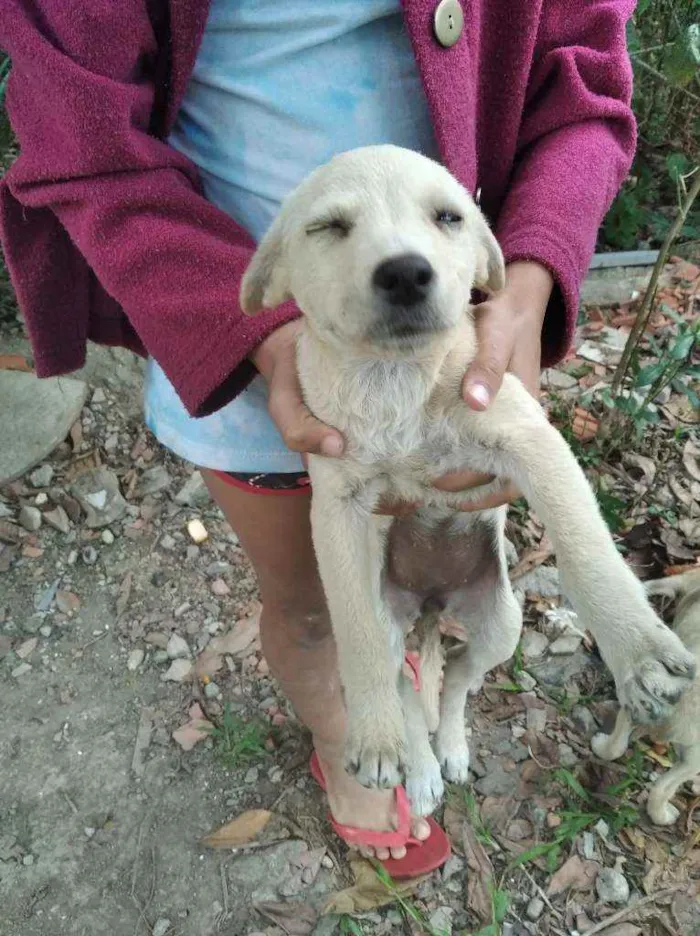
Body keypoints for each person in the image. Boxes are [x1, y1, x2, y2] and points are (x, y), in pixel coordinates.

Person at [0, 0, 636, 874]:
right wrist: (248, 330)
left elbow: (585, 79)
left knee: (414, 588)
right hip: (219, 336)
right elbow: (81, 141)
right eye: (338, 225)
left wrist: (528, 273)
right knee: (308, 607)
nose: (390, 249)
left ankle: (414, 690)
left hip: (448, 352)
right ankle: (349, 733)